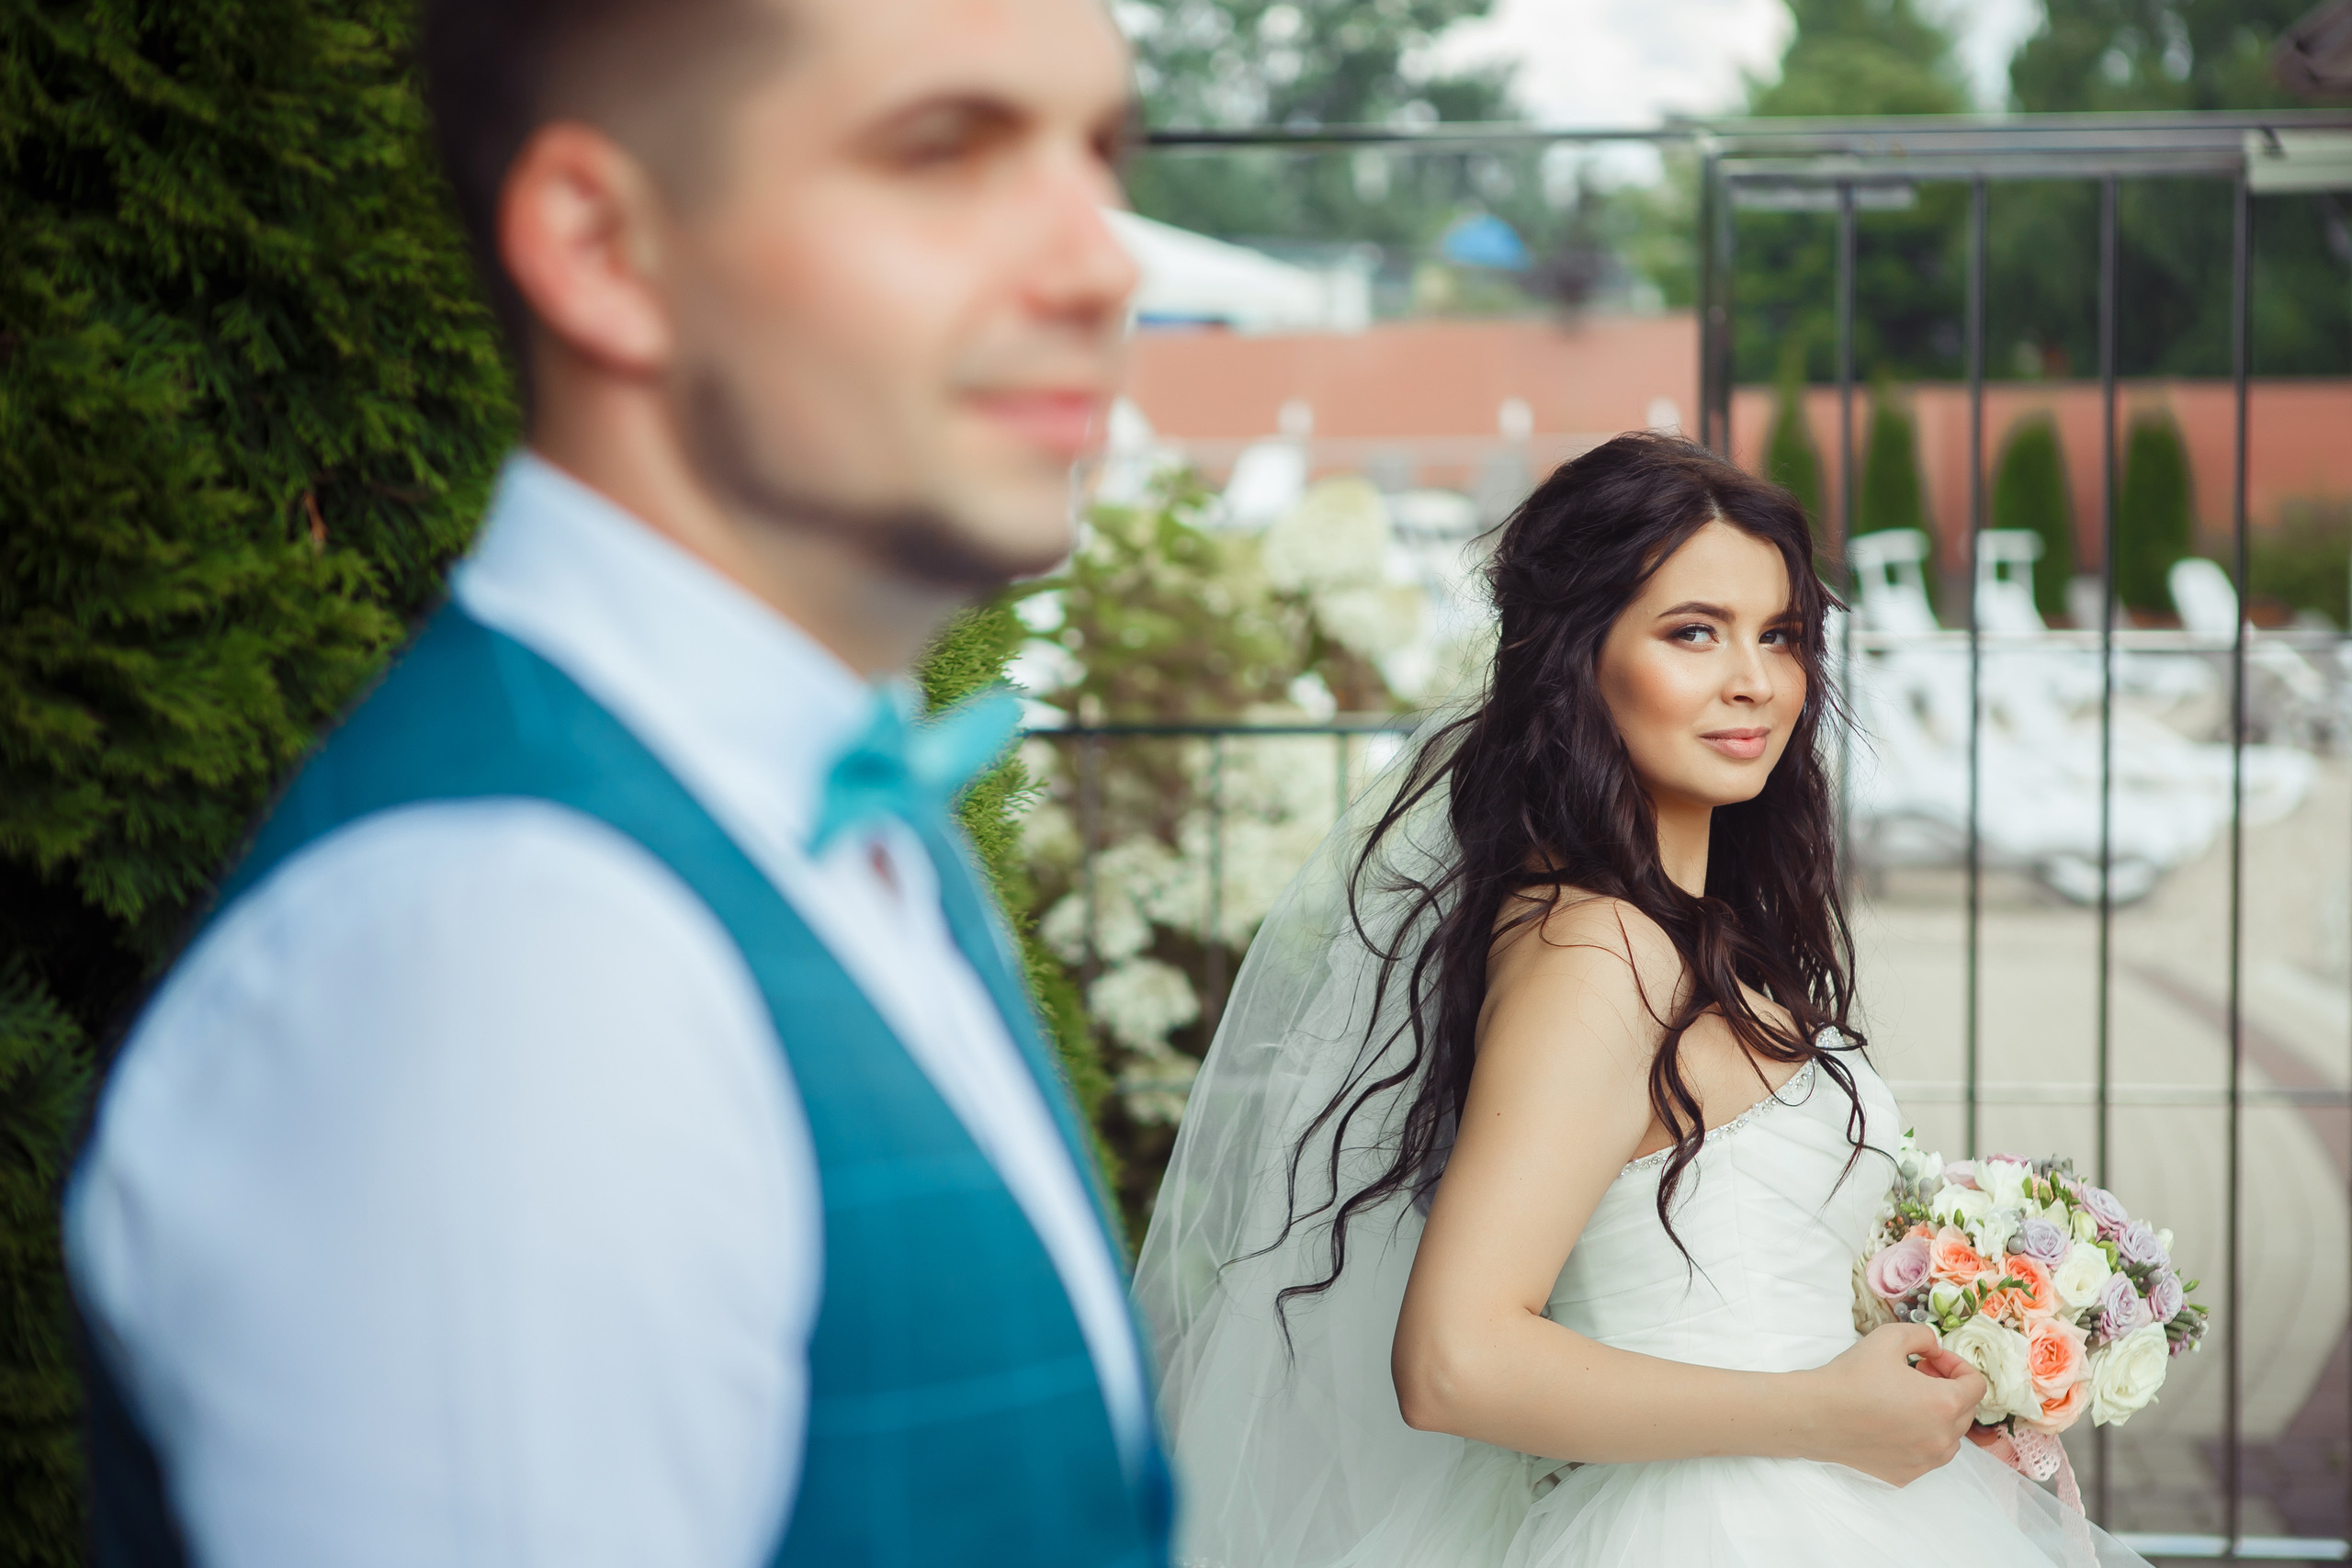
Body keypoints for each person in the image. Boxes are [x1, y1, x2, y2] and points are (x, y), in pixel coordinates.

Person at [66, 1, 1170, 1564]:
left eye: (1103, 153)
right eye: (943, 153)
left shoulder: (817, 796)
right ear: (600, 247)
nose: (1103, 262)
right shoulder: (499, 947)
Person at [1133, 433, 2152, 1566]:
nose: (1753, 680)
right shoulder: (1595, 948)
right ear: (1578, 660)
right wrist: (1824, 1412)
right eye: (1692, 632)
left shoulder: (1692, 935)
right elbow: (1452, 1361)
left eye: (1779, 634)